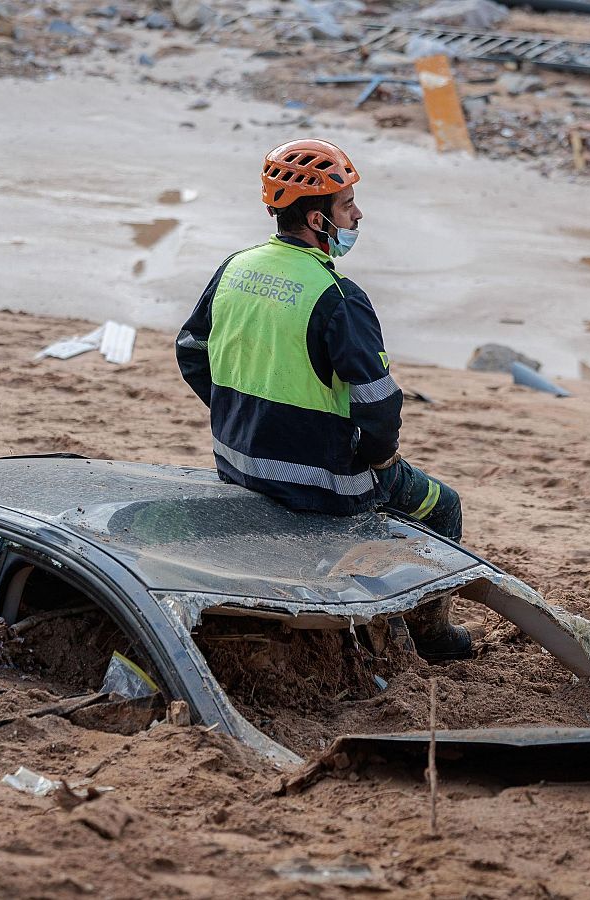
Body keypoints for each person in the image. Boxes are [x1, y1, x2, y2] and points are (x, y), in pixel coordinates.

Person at [175, 138, 479, 661]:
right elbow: (379, 403)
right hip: (322, 481)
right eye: (347, 205)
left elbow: (190, 350)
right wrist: (379, 457)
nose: (358, 214)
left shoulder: (236, 268)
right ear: (318, 221)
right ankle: (432, 638)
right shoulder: (337, 296)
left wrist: (241, 414)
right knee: (441, 505)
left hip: (237, 461)